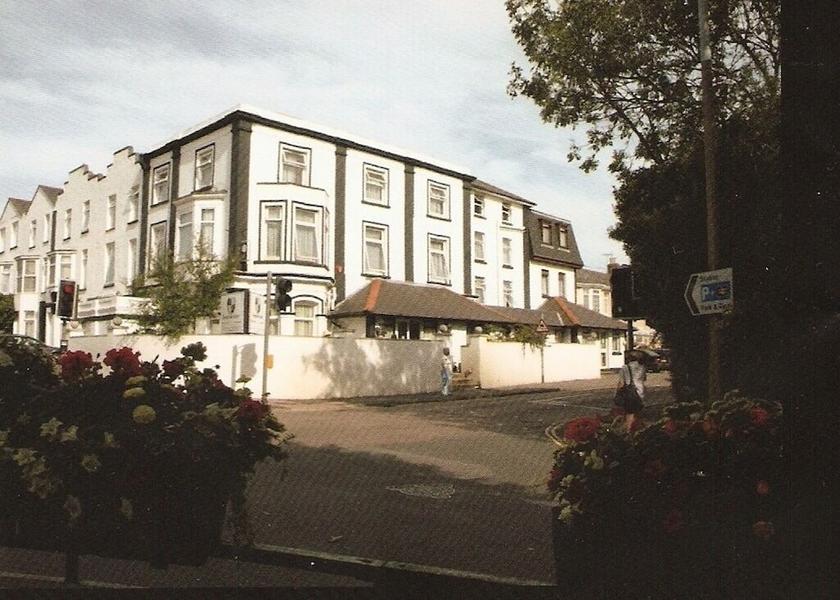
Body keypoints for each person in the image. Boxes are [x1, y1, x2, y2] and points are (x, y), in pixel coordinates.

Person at [616, 349, 646, 426]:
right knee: (638, 413)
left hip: (629, 393)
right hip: (640, 392)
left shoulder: (625, 368)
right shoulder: (642, 367)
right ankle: (638, 430)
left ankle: (628, 431)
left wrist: (617, 393)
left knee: (629, 413)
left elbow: (621, 383)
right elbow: (644, 379)